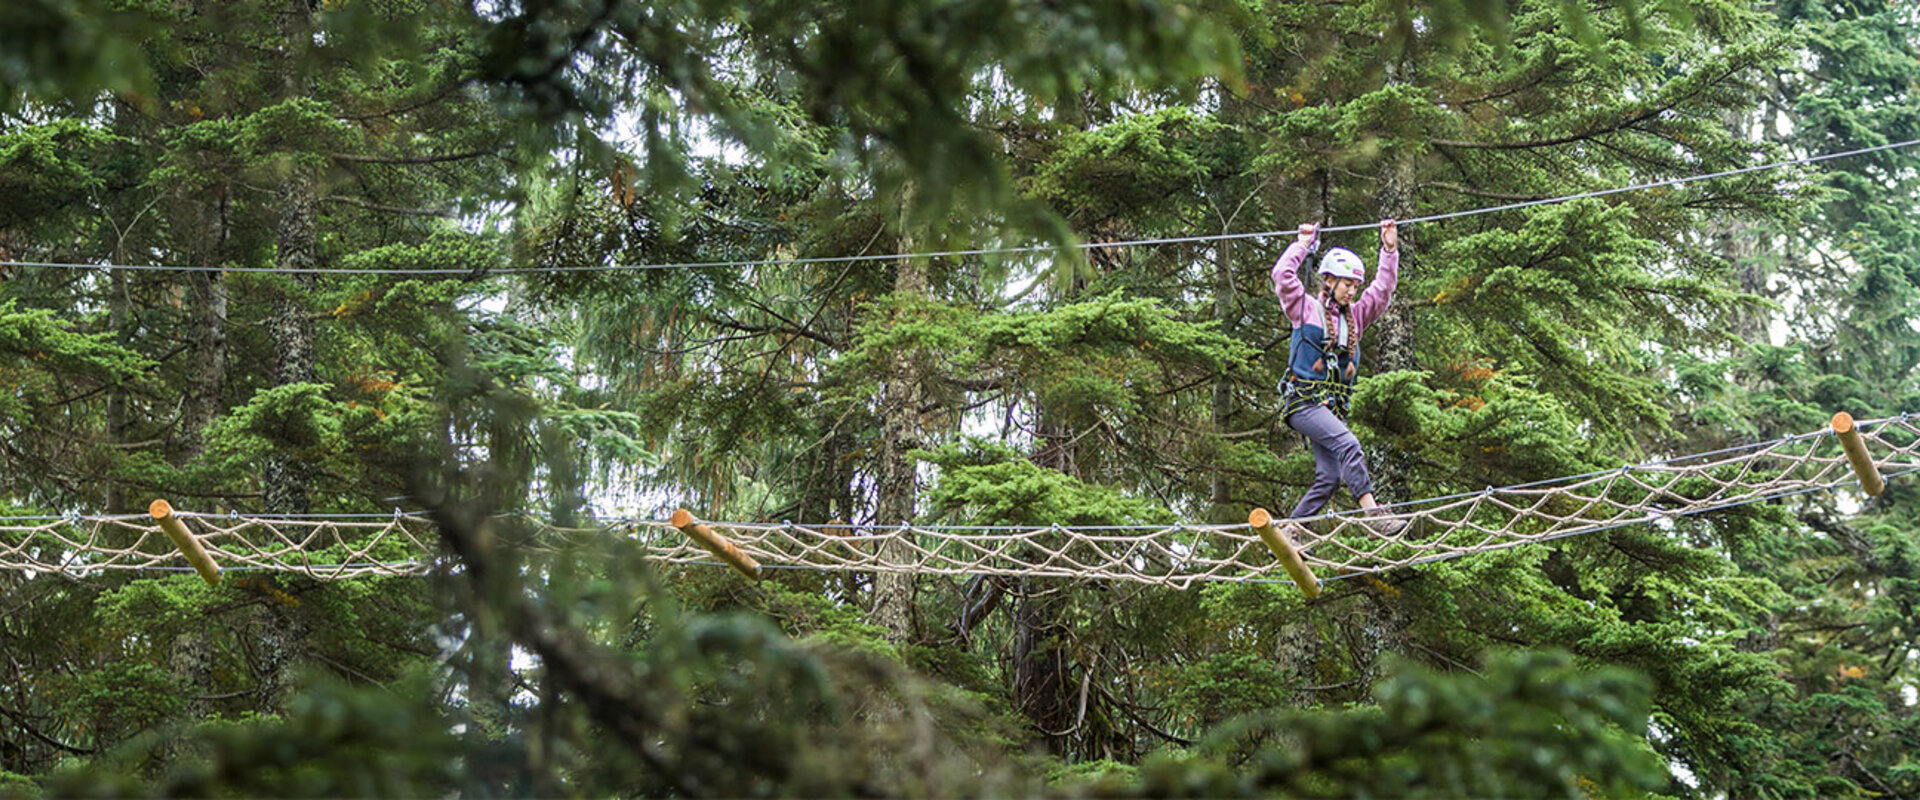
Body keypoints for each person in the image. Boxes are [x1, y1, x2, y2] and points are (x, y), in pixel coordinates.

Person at [1271, 219, 1402, 530]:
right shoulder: (1305, 309)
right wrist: (1302, 245)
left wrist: (1389, 249)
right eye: (1347, 284)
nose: (1352, 291)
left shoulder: (1355, 317)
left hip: (1330, 409)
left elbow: (1382, 290)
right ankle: (1373, 515)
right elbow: (1282, 275)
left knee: (1330, 477)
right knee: (1349, 446)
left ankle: (1293, 532)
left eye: (1355, 285)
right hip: (1303, 404)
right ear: (1328, 280)